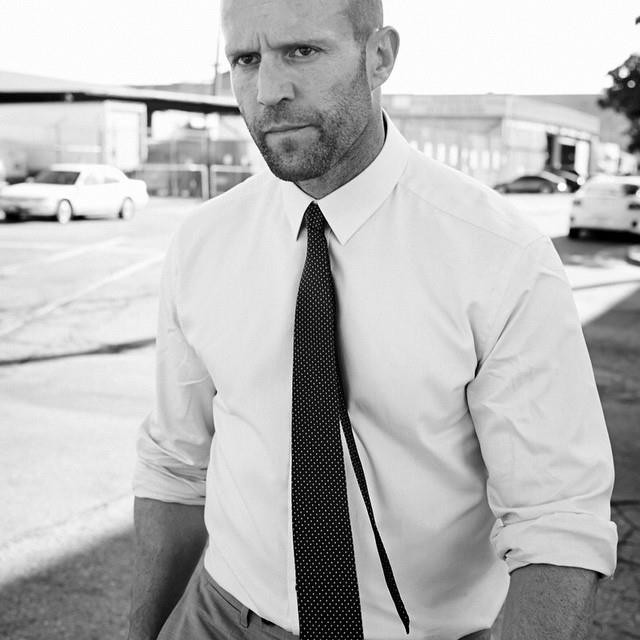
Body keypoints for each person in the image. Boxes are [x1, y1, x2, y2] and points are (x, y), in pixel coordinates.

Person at [128, 0, 617, 639]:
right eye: (246, 59)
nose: (269, 90)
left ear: (379, 56)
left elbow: (557, 522)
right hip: (219, 615)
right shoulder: (203, 243)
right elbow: (175, 464)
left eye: (301, 51)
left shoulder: (501, 258)